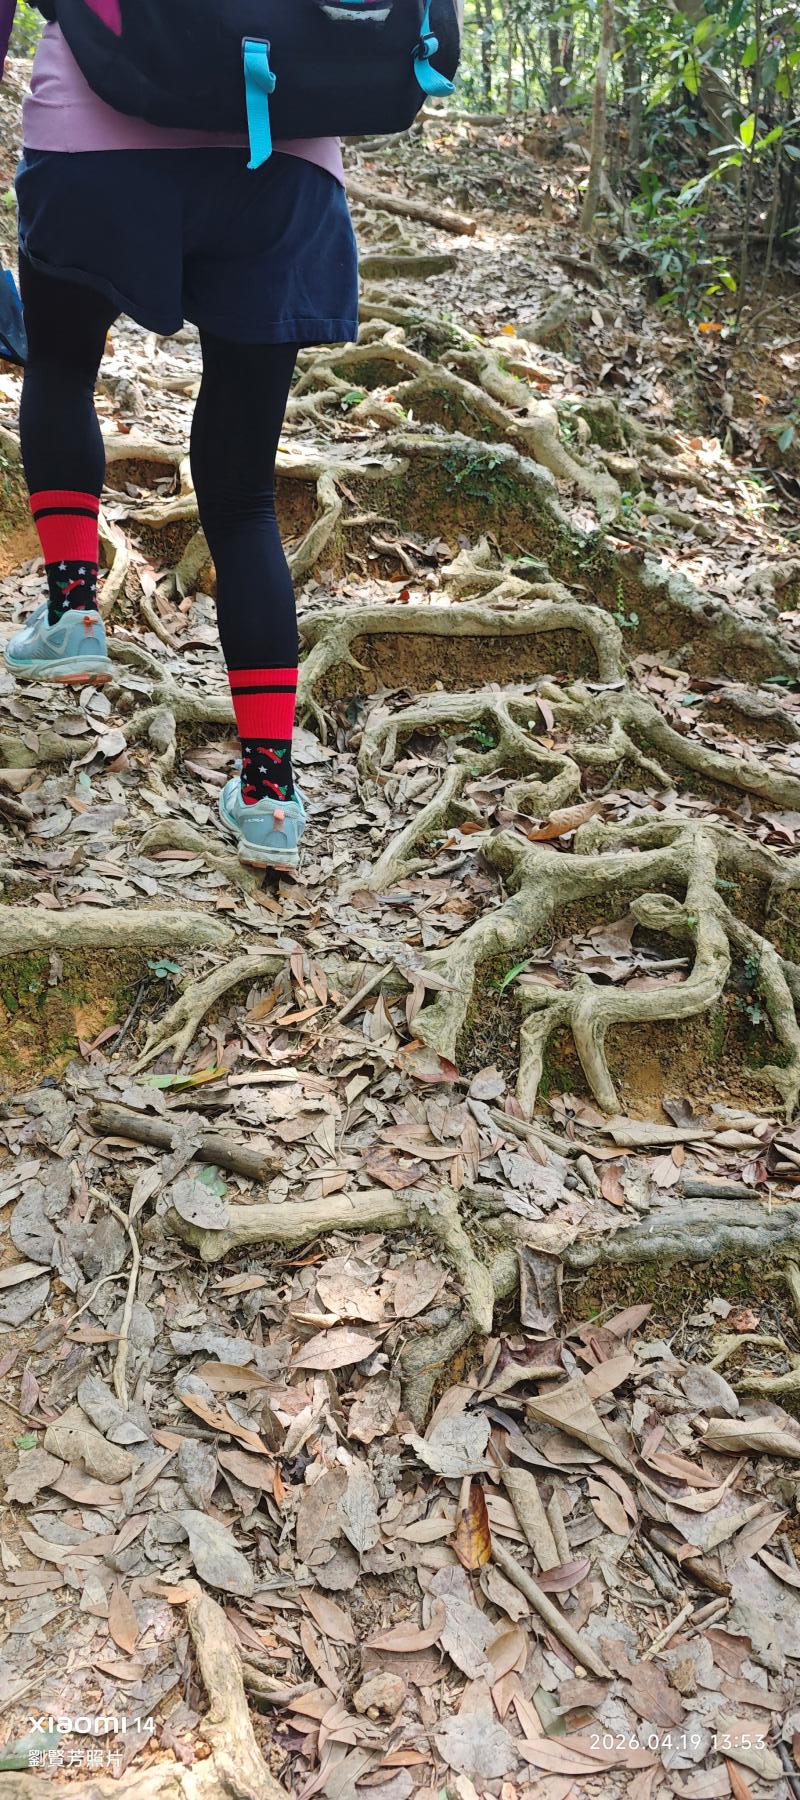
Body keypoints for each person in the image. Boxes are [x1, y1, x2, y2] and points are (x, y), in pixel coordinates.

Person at [0, 3, 359, 872]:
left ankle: (73, 610)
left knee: (61, 365)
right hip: (286, 157)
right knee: (242, 493)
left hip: (94, 142)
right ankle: (269, 795)